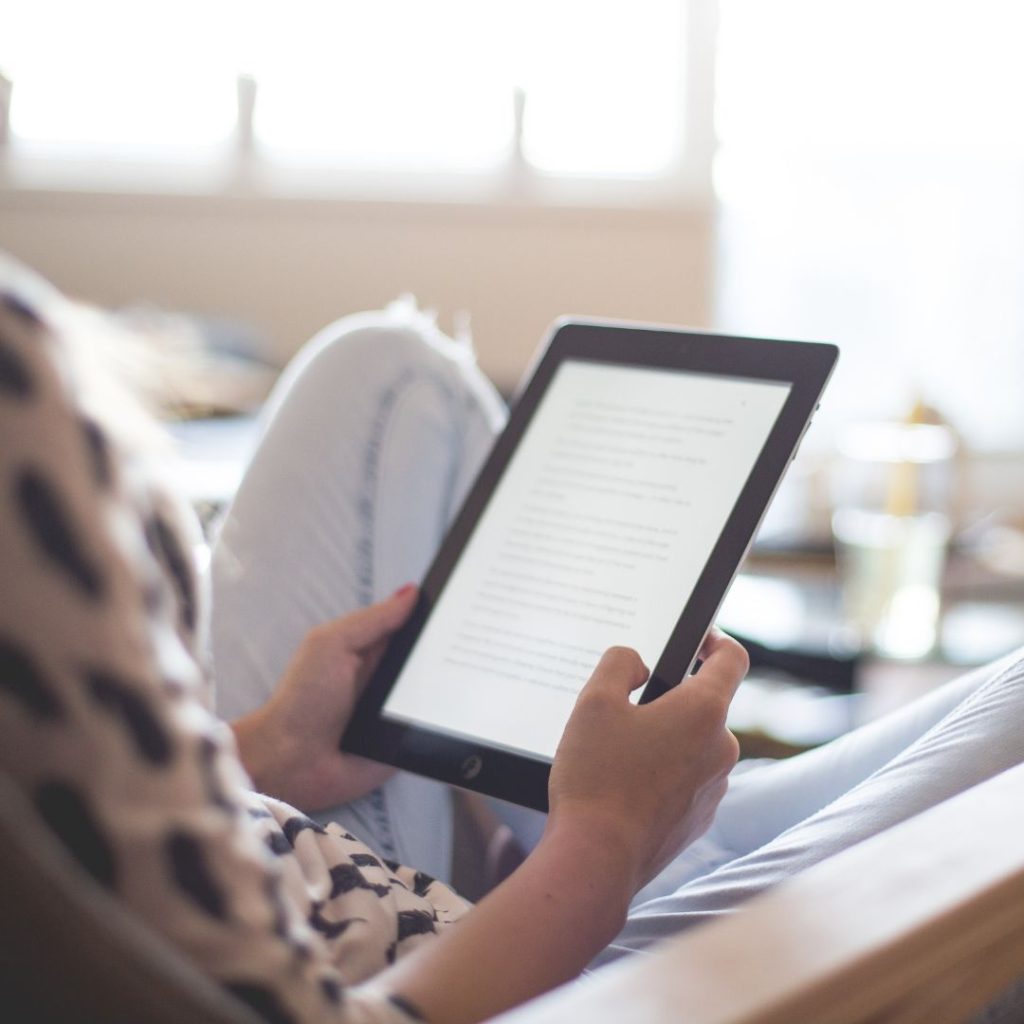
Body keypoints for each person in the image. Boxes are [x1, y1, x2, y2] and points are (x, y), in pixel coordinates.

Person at [1, 256, 1022, 1024]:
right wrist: (602, 842)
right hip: (471, 969)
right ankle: (655, 843)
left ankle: (660, 827)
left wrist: (266, 746)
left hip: (291, 828)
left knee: (388, 368)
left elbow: (61, 810)